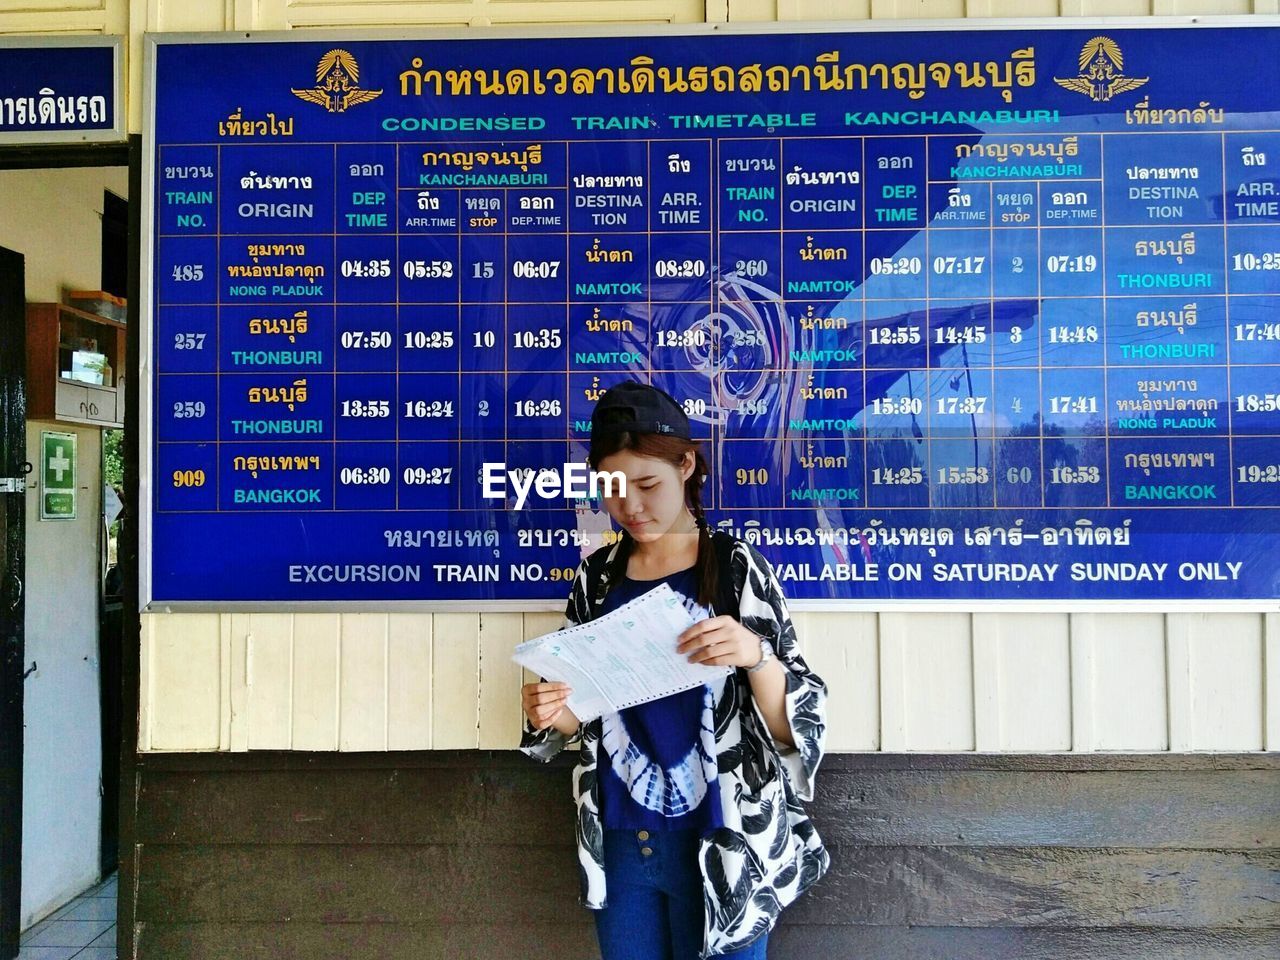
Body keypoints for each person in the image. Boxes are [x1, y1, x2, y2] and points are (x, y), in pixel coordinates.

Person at [519, 381, 829, 959]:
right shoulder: (596, 579)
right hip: (621, 840)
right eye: (612, 488)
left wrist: (754, 654)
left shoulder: (735, 569)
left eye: (647, 484)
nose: (630, 506)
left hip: (723, 840)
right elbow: (577, 716)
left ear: (686, 464)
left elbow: (797, 725)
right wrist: (549, 710)